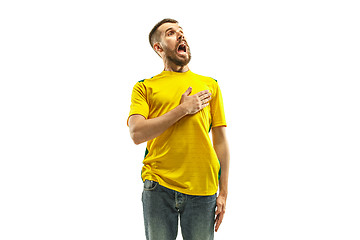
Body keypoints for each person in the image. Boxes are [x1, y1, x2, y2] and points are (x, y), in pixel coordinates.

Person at [127, 18, 230, 240]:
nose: (181, 35)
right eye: (171, 33)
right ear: (158, 47)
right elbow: (137, 133)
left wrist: (223, 192)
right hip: (158, 187)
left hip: (203, 189)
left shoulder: (209, 85)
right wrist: (183, 109)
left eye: (182, 32)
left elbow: (220, 141)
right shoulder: (145, 87)